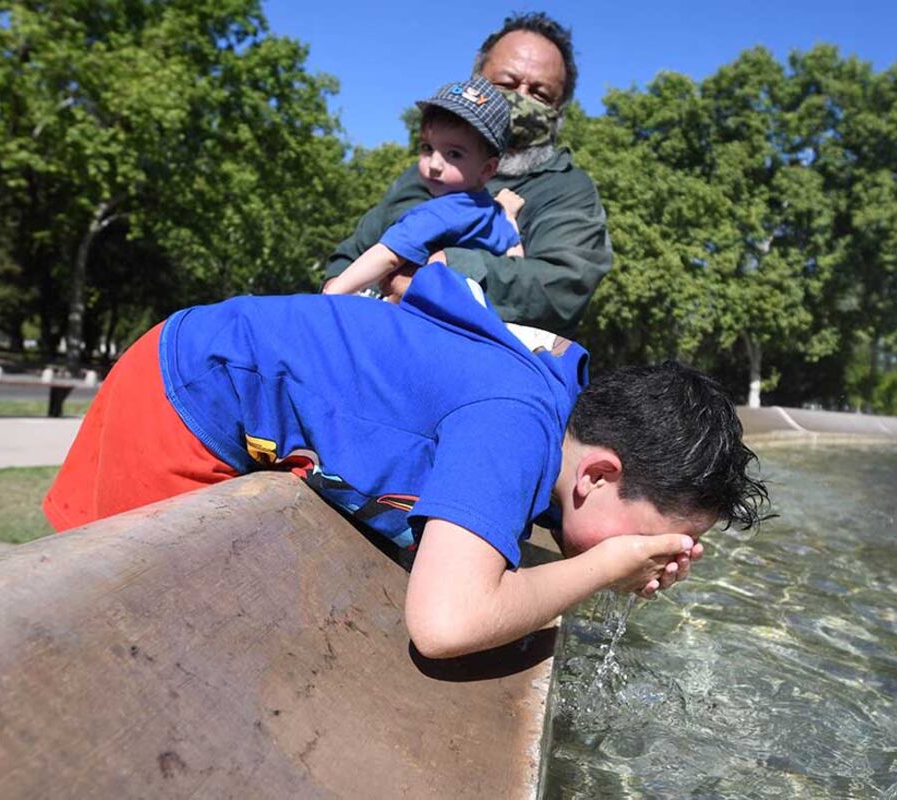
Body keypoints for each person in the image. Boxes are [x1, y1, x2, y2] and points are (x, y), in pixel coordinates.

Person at [43, 264, 768, 659]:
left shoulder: (550, 417)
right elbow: (445, 625)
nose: (663, 555)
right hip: (186, 392)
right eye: (657, 536)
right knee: (100, 622)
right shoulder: (513, 425)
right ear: (599, 474)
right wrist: (601, 567)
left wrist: (610, 554)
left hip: (213, 372)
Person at [323, 12, 611, 338]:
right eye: (506, 84)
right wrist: (337, 289)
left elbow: (563, 287)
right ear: (475, 81)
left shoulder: (568, 189)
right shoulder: (426, 173)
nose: (521, 97)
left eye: (540, 93)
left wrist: (444, 273)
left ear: (559, 110)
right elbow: (352, 251)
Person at [326, 75, 525, 298]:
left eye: (454, 154)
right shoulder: (493, 213)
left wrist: (334, 292)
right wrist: (509, 214)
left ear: (487, 169)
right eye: (427, 148)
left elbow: (389, 256)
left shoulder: (441, 212)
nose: (434, 164)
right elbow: (516, 259)